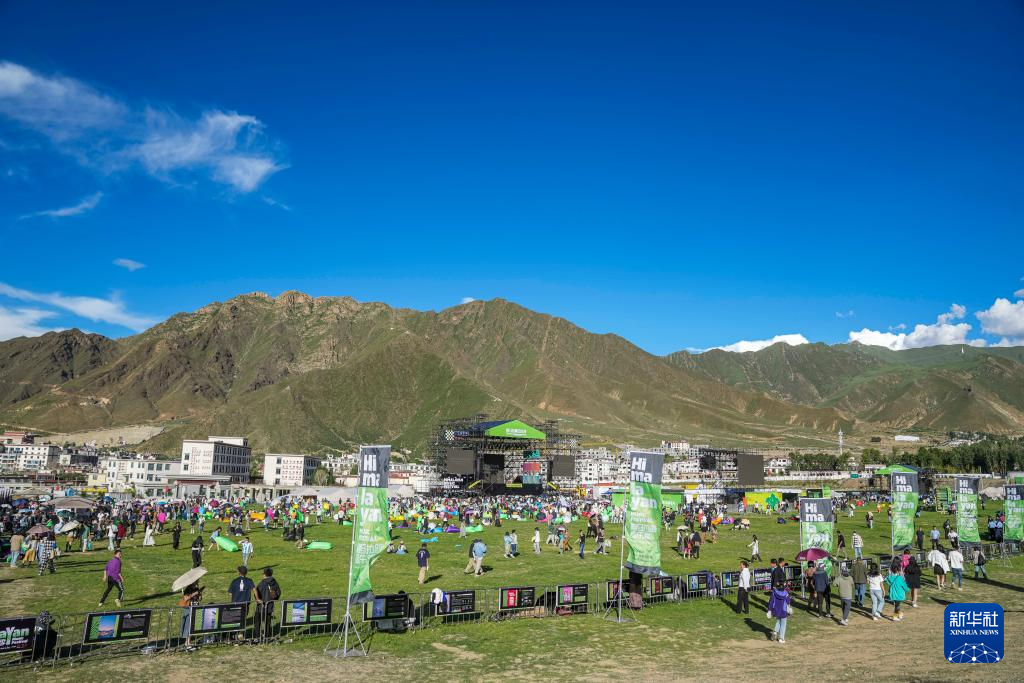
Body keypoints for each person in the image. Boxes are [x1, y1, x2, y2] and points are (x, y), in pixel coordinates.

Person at [228, 565, 255, 639]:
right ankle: (240, 634)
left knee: (235, 620)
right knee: (243, 620)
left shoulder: (234, 581)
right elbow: (254, 589)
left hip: (235, 604)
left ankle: (234, 635)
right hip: (245, 604)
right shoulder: (249, 580)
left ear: (239, 572)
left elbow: (230, 593)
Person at [254, 567, 280, 641]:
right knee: (268, 622)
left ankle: (257, 636)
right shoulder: (274, 582)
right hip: (269, 605)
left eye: (263, 574)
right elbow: (278, 593)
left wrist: (257, 599)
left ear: (265, 574)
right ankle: (267, 636)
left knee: (257, 621)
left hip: (261, 605)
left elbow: (257, 592)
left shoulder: (262, 583)